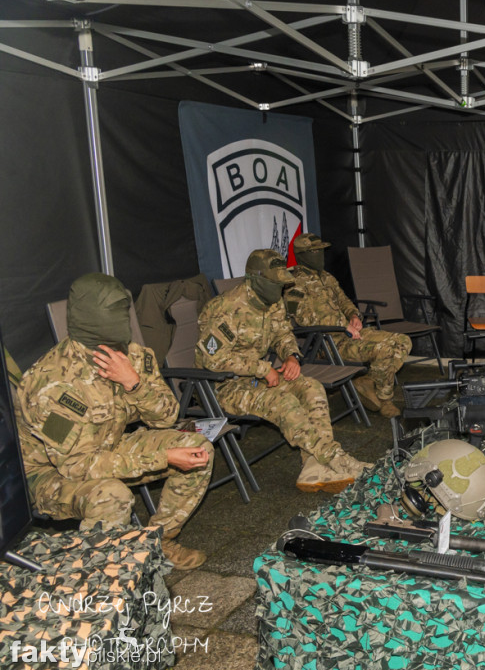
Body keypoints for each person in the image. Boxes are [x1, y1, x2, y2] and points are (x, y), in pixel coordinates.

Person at [15, 274, 212, 570]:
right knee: (111, 495)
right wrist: (162, 458)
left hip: (109, 444)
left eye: (124, 311)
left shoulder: (134, 355)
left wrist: (134, 384)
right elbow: (77, 466)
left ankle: (158, 542)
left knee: (198, 448)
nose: (123, 321)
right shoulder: (52, 383)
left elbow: (168, 417)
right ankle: (103, 579)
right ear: (89, 317)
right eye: (113, 313)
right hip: (49, 474)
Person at [195, 249, 369, 493]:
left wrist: (291, 356)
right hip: (226, 387)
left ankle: (312, 468)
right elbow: (212, 359)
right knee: (284, 401)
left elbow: (283, 334)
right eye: (275, 282)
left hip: (260, 379)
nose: (281, 288)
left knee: (311, 387)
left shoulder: (272, 302)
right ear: (255, 279)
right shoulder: (224, 308)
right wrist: (262, 369)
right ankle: (336, 458)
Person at [286, 233, 412, 418]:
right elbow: (305, 319)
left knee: (403, 341)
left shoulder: (326, 277)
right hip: (328, 343)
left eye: (322, 250)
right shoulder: (293, 283)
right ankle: (385, 399)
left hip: (349, 332)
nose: (320, 255)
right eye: (315, 251)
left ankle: (367, 382)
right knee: (385, 350)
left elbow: (344, 300)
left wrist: (353, 315)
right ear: (302, 255)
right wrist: (343, 325)